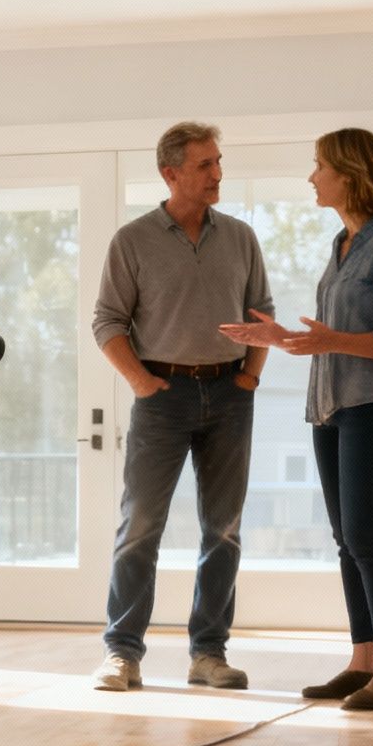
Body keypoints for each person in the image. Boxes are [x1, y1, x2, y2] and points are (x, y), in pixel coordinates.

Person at [220, 128, 373, 711]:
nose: (312, 177)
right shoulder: (343, 243)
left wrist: (333, 339)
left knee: (366, 533)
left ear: (351, 172)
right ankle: (362, 663)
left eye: (319, 166)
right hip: (330, 405)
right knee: (345, 539)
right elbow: (329, 341)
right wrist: (281, 338)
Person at [90, 121, 272, 693]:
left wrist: (248, 378)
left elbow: (262, 314)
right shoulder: (133, 240)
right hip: (161, 398)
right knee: (140, 527)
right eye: (204, 165)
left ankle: (208, 654)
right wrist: (142, 383)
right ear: (170, 173)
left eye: (218, 162)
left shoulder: (240, 236)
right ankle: (123, 654)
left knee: (223, 530)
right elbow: (107, 323)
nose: (217, 174)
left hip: (228, 396)